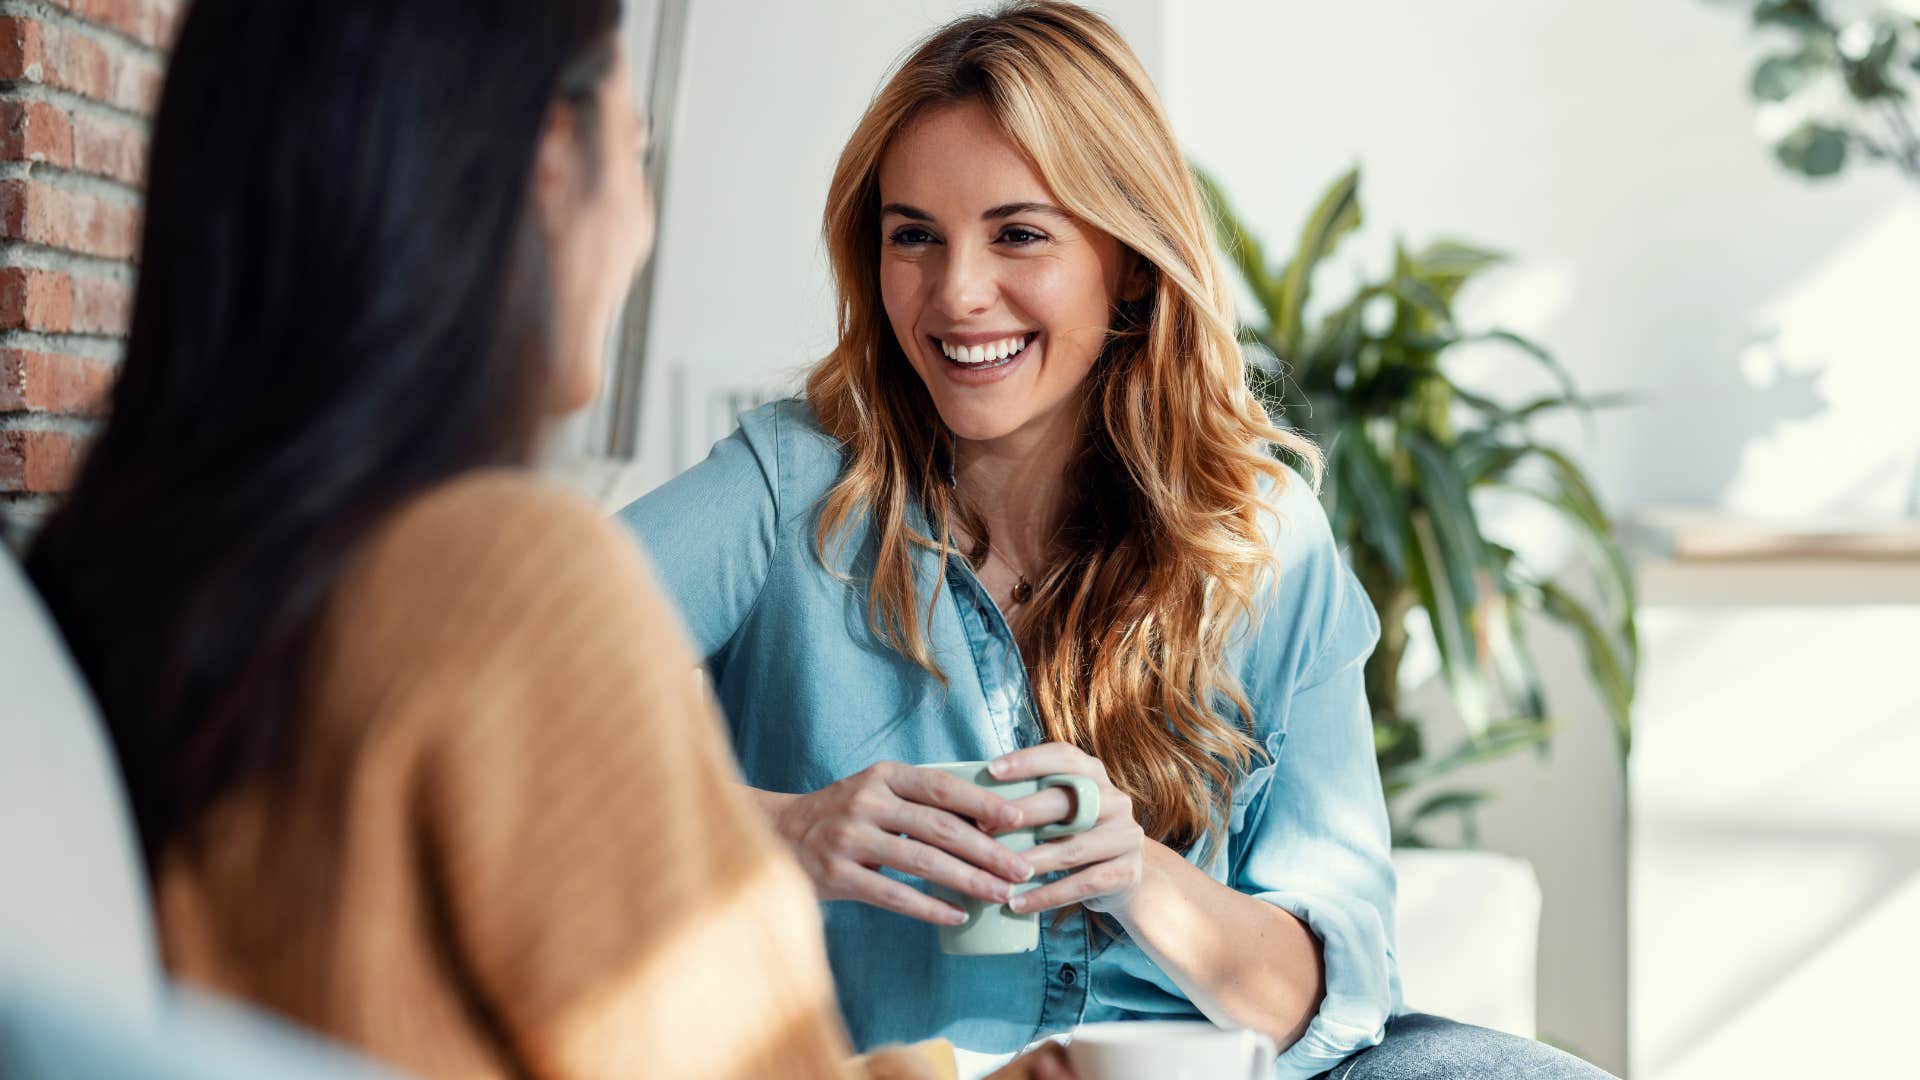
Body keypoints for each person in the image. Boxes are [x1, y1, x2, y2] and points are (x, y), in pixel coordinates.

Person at [23, 2, 1070, 1079]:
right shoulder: (509, 579)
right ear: (553, 163)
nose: (645, 220)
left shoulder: (130, 574)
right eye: (638, 149)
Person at [621, 4, 1613, 1079]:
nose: (956, 294)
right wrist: (780, 828)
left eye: (1019, 233)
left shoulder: (1261, 540)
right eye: (915, 235)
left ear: (1129, 264)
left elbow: (1323, 1003)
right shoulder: (795, 489)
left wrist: (1134, 873)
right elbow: (488, 692)